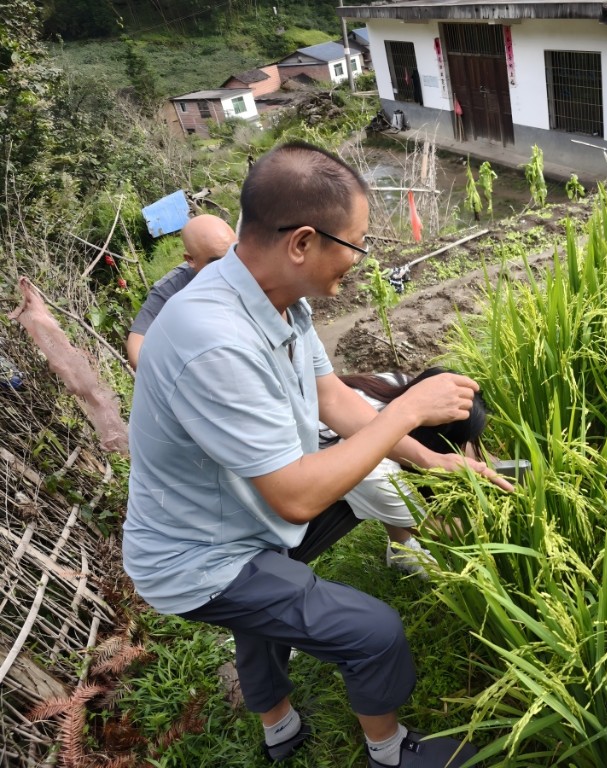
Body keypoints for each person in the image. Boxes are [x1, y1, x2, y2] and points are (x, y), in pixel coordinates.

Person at [123, 141, 510, 767]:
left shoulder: (277, 296)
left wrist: (435, 461)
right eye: (354, 245)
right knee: (373, 631)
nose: (358, 263)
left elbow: (332, 398)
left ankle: (278, 726)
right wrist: (408, 409)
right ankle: (390, 753)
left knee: (308, 561)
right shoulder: (213, 340)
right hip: (201, 555)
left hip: (242, 514)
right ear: (302, 242)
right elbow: (297, 495)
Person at [324, 368, 488, 577]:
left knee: (391, 490)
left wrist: (492, 466)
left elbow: (469, 448)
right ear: (436, 442)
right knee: (392, 492)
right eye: (461, 443)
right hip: (294, 495)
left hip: (329, 442)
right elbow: (429, 527)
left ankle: (400, 548)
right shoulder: (377, 470)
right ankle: (402, 549)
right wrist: (487, 519)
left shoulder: (399, 387)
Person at [125, 214, 236, 369]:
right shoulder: (172, 287)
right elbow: (137, 345)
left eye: (234, 254)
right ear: (190, 260)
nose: (230, 266)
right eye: (217, 262)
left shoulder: (248, 265)